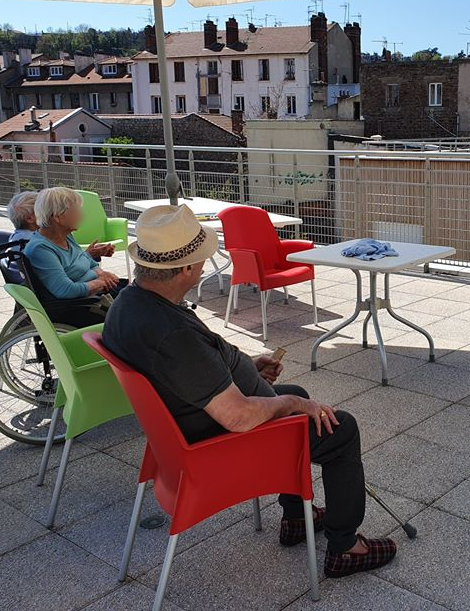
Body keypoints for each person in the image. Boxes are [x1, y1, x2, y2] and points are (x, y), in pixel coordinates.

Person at [102, 205, 397, 578]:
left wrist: (244, 369)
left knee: (295, 391)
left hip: (190, 421)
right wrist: (292, 404)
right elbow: (237, 417)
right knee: (340, 427)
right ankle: (345, 547)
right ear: (187, 269)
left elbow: (193, 371)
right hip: (220, 442)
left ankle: (295, 517)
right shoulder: (171, 335)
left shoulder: (130, 302)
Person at [24, 187, 125, 300]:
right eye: (76, 210)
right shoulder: (41, 249)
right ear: (57, 216)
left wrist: (102, 274)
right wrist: (101, 282)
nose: (82, 215)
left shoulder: (66, 236)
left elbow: (90, 263)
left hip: (96, 291)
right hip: (80, 304)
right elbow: (66, 290)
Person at [8, 190, 115, 258]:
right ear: (30, 218)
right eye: (44, 209)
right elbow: (67, 275)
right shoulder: (34, 244)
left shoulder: (20, 237)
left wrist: (88, 254)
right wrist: (89, 255)